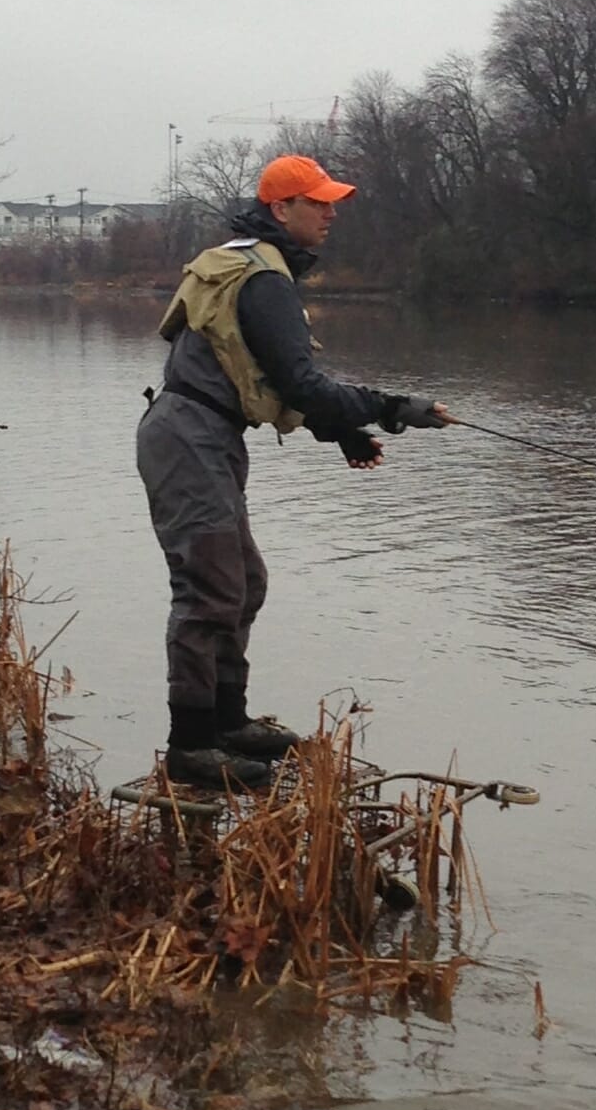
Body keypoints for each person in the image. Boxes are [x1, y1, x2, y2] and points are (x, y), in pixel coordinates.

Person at [137, 153, 453, 790]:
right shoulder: (262, 279)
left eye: (332, 201)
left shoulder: (252, 263)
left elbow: (259, 379)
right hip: (189, 439)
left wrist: (342, 433)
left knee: (244, 581)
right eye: (319, 202)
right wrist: (394, 409)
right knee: (211, 591)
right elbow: (301, 380)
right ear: (282, 209)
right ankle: (191, 744)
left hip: (202, 435)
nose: (331, 213)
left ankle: (228, 721)